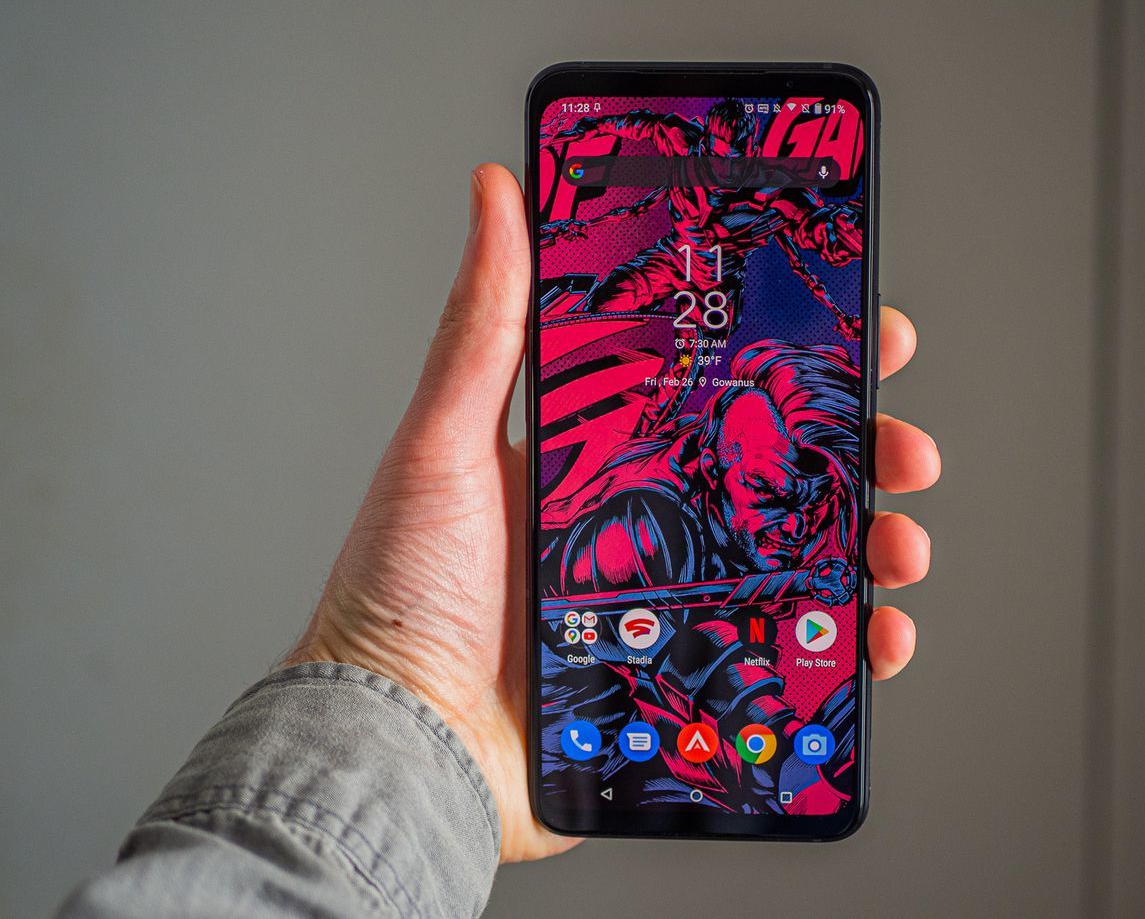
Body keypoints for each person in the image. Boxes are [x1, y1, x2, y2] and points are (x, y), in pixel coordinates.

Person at [57, 164, 940, 918]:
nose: (772, 502)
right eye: (753, 476)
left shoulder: (788, 541)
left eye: (794, 487)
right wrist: (416, 691)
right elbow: (674, 633)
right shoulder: (651, 526)